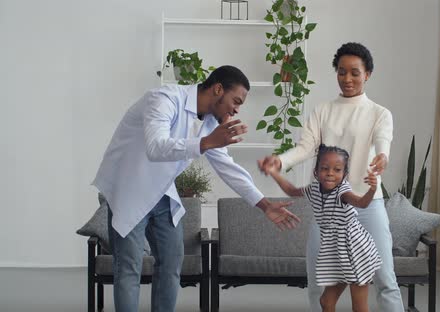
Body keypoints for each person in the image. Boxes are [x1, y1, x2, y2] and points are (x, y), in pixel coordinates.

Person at [92, 65, 300, 312]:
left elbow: (228, 168)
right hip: (128, 187)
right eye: (235, 101)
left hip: (161, 191)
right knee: (129, 268)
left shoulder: (211, 123)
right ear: (218, 89)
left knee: (171, 264)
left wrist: (264, 205)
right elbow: (156, 147)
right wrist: (207, 142)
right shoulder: (164, 99)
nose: (236, 109)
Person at [258, 42, 405, 311]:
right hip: (329, 209)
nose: (347, 79)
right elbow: (305, 147)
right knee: (318, 280)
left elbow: (383, 139)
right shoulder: (322, 110)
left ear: (367, 74)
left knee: (385, 278)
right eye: (341, 72)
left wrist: (382, 156)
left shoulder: (379, 113)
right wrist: (280, 161)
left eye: (355, 72)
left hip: (367, 204)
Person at [263, 144, 382, 312]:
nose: (330, 173)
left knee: (359, 308)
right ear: (316, 172)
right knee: (326, 301)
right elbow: (291, 190)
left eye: (337, 169)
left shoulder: (343, 192)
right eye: (325, 168)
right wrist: (274, 173)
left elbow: (362, 203)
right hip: (336, 251)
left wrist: (372, 189)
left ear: (344, 174)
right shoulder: (314, 190)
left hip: (354, 250)